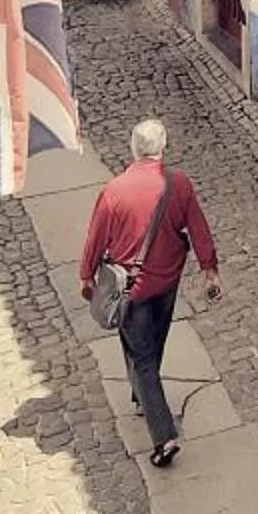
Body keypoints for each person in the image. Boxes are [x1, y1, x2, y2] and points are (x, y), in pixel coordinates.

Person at [78, 120, 221, 468]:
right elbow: (198, 228)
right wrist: (209, 268)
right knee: (151, 344)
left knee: (141, 356)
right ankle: (142, 394)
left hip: (131, 288)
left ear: (133, 148)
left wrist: (87, 276)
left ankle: (164, 436)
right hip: (167, 282)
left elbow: (95, 237)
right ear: (163, 147)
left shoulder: (114, 191)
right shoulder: (179, 185)